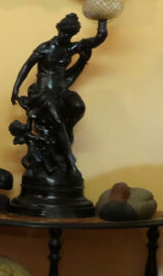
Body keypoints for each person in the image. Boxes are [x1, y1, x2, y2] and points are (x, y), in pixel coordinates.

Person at [10, 12, 107, 177]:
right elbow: (27, 66)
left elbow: (98, 38)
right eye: (63, 32)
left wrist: (102, 20)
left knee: (77, 106)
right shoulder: (46, 47)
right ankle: (70, 162)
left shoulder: (71, 48)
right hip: (43, 92)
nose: (65, 36)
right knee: (57, 121)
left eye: (69, 34)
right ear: (58, 29)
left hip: (61, 90)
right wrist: (16, 88)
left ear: (73, 34)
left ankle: (64, 135)